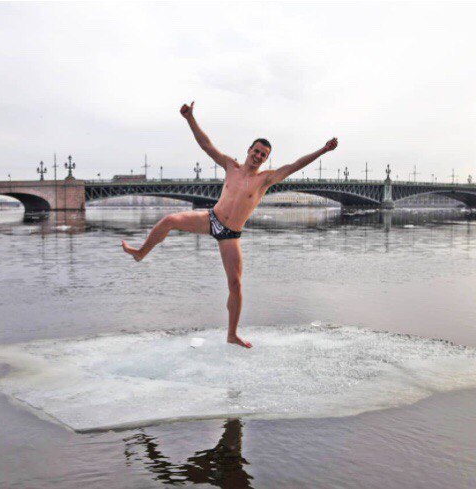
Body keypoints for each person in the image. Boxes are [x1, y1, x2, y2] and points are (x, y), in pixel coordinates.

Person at [122, 101, 338, 348]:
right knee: (170, 220)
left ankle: (232, 334)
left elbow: (294, 166)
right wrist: (190, 118)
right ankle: (140, 253)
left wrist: (322, 150)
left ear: (266, 159)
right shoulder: (231, 166)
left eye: (263, 155)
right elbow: (206, 145)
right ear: (249, 150)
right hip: (210, 219)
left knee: (235, 285)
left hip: (230, 235)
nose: (258, 156)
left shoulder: (265, 179)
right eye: (256, 151)